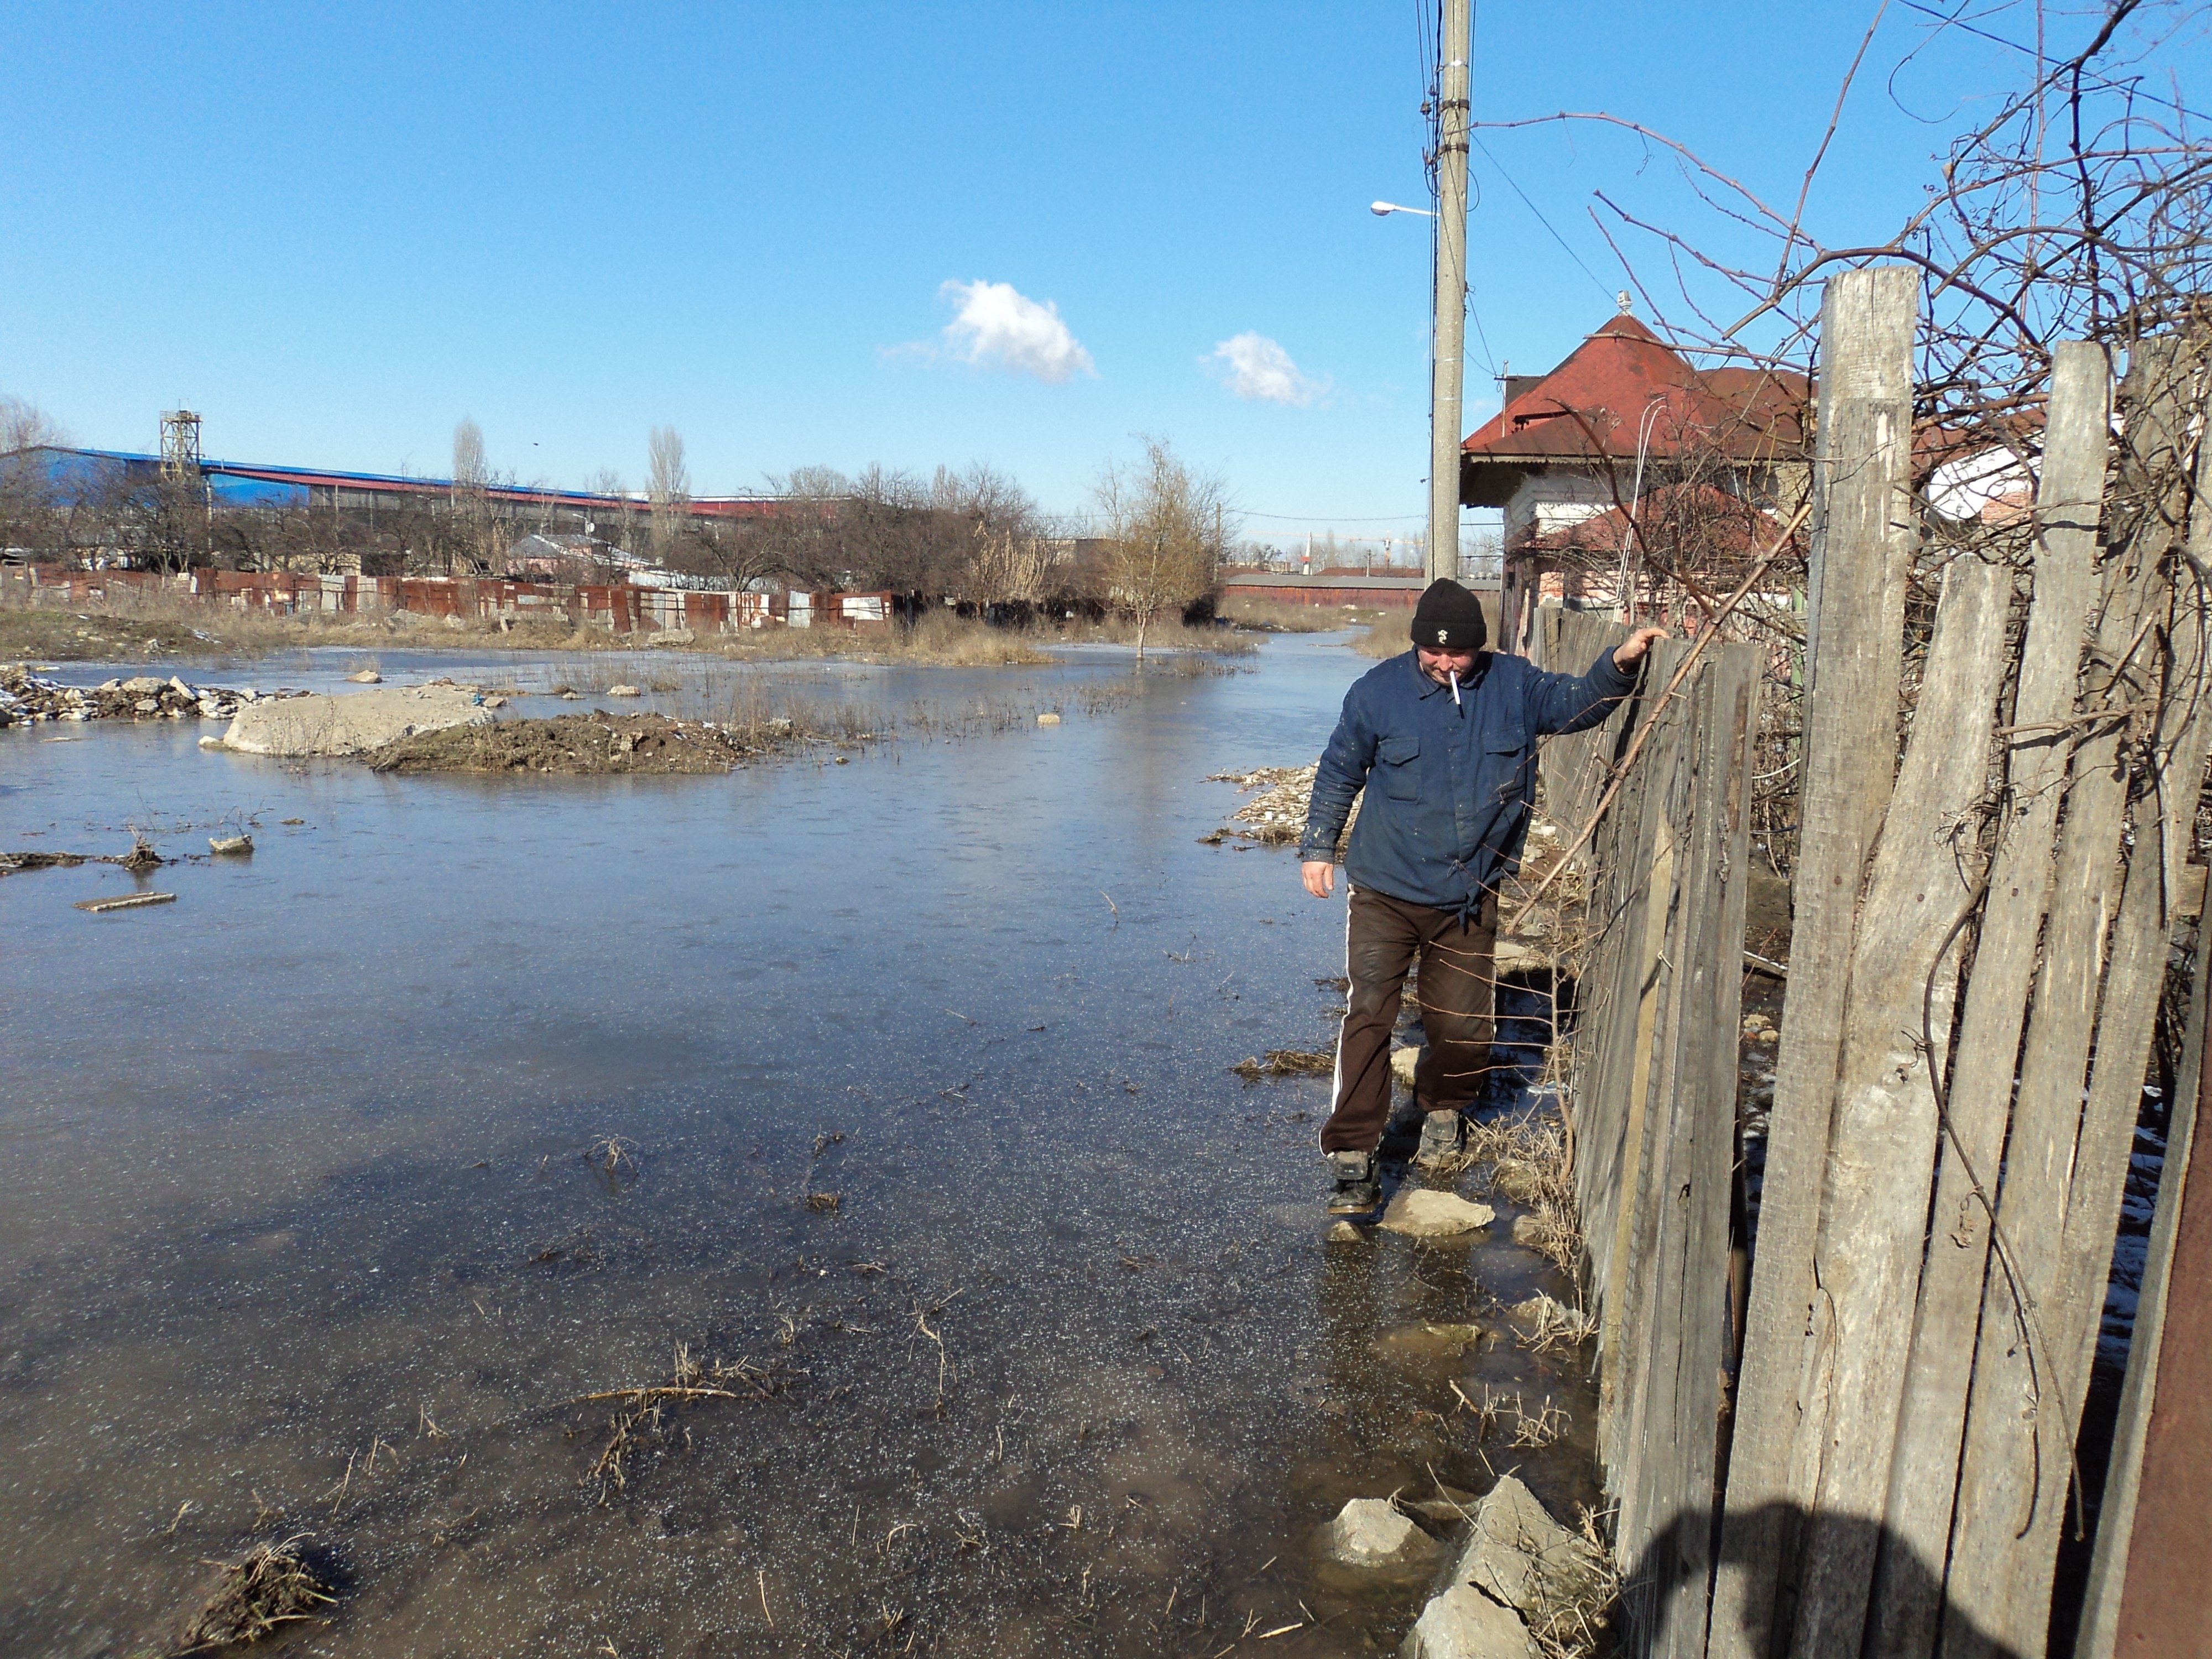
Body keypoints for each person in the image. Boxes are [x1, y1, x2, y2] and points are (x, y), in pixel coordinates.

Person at [1298, 579, 1665, 1215]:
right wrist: (1317, 846)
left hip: (1469, 895)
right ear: (1416, 646)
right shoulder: (1375, 694)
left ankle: (1444, 1109)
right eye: (1432, 654)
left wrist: (1619, 663)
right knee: (1370, 1015)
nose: (1444, 664)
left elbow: (1578, 704)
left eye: (1459, 655)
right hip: (1384, 888)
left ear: (1480, 649)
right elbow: (1339, 769)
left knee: (1464, 1030)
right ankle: (1353, 1155)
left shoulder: (1515, 686)